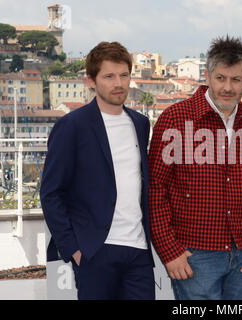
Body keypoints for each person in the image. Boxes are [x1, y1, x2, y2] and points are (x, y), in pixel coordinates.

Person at [149, 36, 242, 300]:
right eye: (221, 78)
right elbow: (155, 189)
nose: (228, 87)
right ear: (207, 76)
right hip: (194, 255)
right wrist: (169, 250)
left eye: (236, 80)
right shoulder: (175, 118)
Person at [40, 41, 155, 300]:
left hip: (137, 250)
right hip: (94, 250)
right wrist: (74, 248)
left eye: (124, 75)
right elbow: (51, 193)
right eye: (109, 76)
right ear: (91, 81)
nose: (118, 83)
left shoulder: (140, 123)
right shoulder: (72, 126)